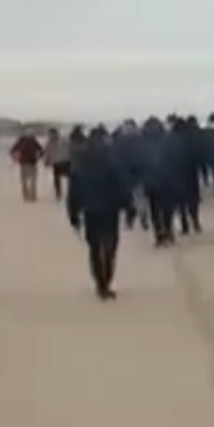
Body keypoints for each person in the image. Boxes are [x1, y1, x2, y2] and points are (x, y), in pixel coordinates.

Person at [68, 127, 133, 299]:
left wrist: (73, 214)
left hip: (91, 210)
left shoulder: (81, 162)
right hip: (110, 210)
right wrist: (128, 208)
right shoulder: (112, 160)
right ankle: (107, 279)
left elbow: (74, 190)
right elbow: (122, 185)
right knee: (110, 246)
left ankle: (100, 282)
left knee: (95, 248)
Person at [139, 118, 178, 246]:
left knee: (155, 210)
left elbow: (138, 162)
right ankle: (168, 229)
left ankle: (159, 234)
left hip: (151, 181)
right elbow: (174, 159)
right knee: (168, 208)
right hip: (167, 179)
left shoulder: (143, 142)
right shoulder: (167, 139)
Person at [11, 129, 44, 202]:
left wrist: (15, 158)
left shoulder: (22, 141)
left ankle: (27, 196)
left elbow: (12, 150)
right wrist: (38, 157)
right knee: (32, 181)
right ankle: (32, 196)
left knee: (25, 181)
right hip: (31, 163)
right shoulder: (32, 141)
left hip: (25, 163)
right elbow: (42, 150)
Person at [44, 129, 72, 202]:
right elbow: (70, 148)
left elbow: (48, 153)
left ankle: (58, 194)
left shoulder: (49, 143)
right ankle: (68, 193)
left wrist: (47, 161)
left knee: (57, 179)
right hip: (65, 162)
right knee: (69, 178)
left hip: (58, 163)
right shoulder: (64, 140)